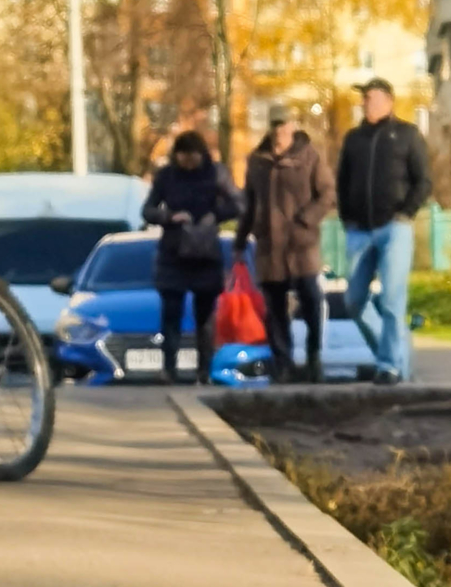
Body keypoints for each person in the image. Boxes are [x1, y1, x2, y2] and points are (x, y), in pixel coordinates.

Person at [335, 78, 431, 386]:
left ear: (389, 101)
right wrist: (347, 217)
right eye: (364, 98)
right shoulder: (354, 139)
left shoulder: (406, 135)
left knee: (391, 299)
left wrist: (406, 214)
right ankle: (393, 355)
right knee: (353, 301)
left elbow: (424, 181)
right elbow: (342, 182)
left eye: (372, 98)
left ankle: (388, 365)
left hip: (394, 228)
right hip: (360, 231)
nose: (366, 103)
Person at [236, 103, 334, 383]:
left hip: (301, 245)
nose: (280, 130)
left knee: (311, 301)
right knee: (275, 309)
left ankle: (314, 357)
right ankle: (283, 365)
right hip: (270, 247)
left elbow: (327, 193)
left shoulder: (309, 156)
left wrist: (308, 219)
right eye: (275, 125)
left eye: (284, 124)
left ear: (293, 125)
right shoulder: (257, 160)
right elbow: (249, 202)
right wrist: (241, 240)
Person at [143, 131, 241, 384]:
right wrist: (169, 217)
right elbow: (148, 210)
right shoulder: (166, 176)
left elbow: (238, 203)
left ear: (201, 154)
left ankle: (204, 370)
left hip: (205, 253)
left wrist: (214, 215)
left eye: (192, 158)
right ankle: (169, 368)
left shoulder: (216, 173)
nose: (187, 163)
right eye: (182, 158)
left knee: (205, 316)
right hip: (173, 253)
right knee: (171, 313)